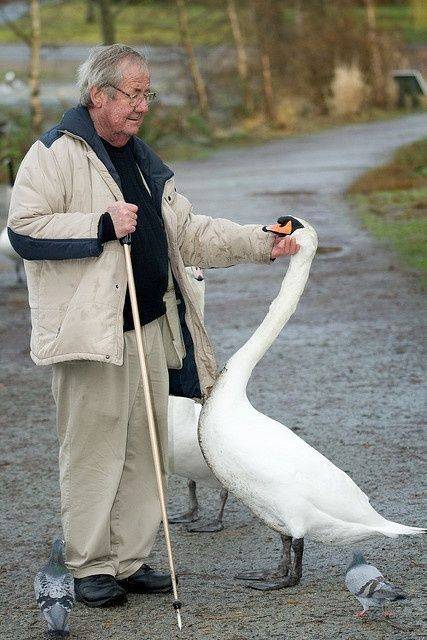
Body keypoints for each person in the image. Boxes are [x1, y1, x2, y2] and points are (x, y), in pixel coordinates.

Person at [7, 44, 300, 608]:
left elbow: (190, 233)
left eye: (148, 94)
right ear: (99, 95)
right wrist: (98, 223)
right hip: (89, 336)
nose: (143, 105)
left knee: (146, 449)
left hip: (150, 329)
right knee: (93, 450)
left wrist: (264, 243)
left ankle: (130, 559)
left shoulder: (143, 159)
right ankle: (90, 565)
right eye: (133, 94)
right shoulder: (52, 154)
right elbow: (24, 231)